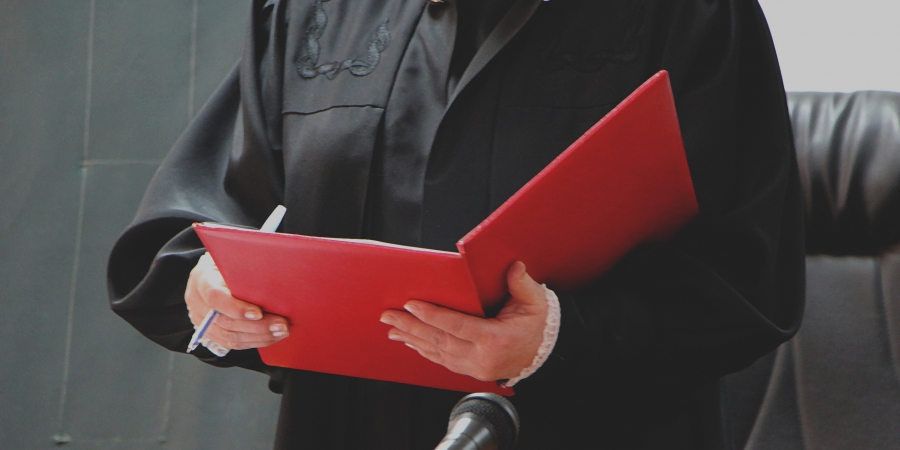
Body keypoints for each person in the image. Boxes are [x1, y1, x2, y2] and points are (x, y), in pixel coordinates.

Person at [108, 0, 805, 448]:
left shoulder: (689, 12)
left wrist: (559, 335)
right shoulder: (310, 10)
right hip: (347, 425)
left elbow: (753, 275)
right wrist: (208, 287)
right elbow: (196, 221)